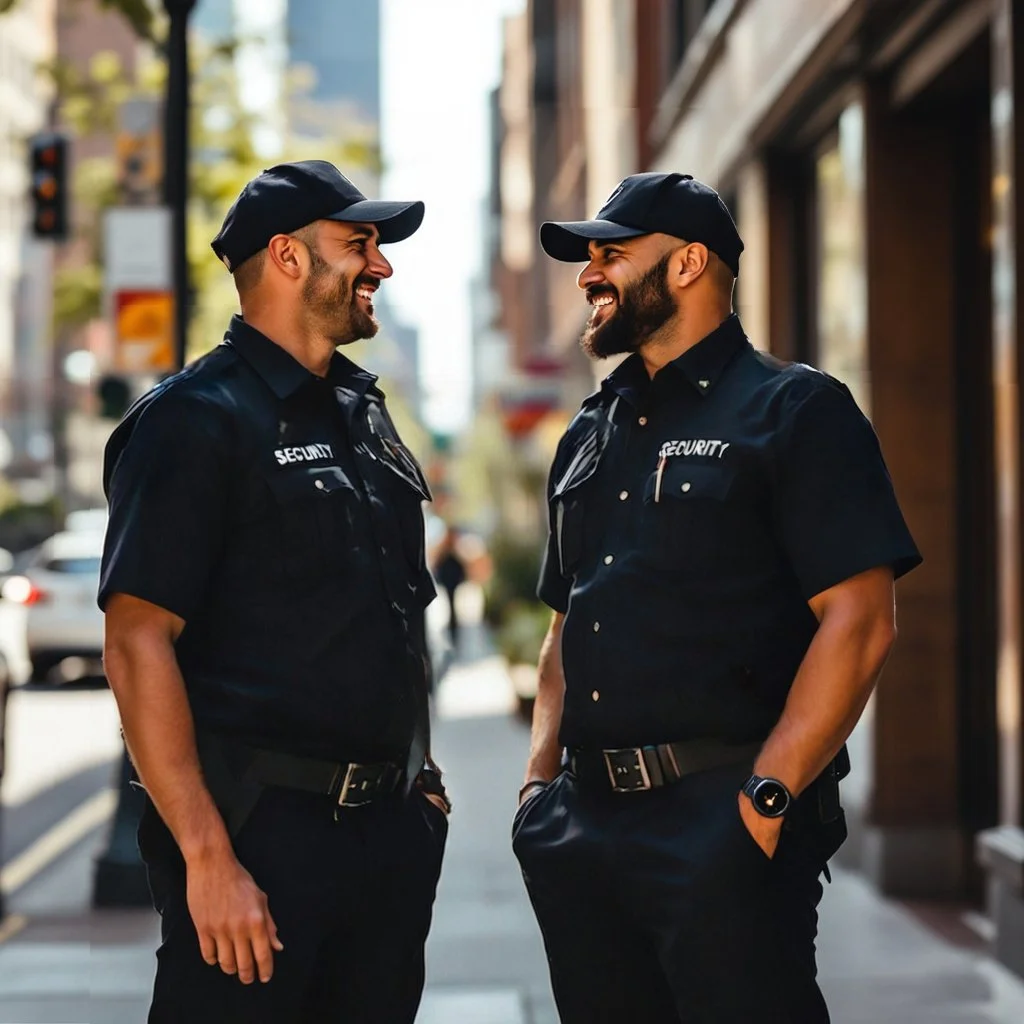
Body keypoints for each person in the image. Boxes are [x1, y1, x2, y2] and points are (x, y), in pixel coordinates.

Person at [512, 171, 921, 1023]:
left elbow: (860, 619)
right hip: (581, 832)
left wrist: (765, 801)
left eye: (612, 254)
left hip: (723, 825)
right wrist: (535, 793)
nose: (590, 273)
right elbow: (567, 621)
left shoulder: (796, 409)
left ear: (691, 263)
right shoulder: (589, 431)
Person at [100, 160, 450, 1024]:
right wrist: (209, 860)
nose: (382, 265)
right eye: (358, 244)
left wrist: (422, 785)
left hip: (385, 846)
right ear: (288, 259)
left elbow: (390, 613)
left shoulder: (363, 413)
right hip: (260, 843)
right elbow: (137, 641)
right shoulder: (194, 420)